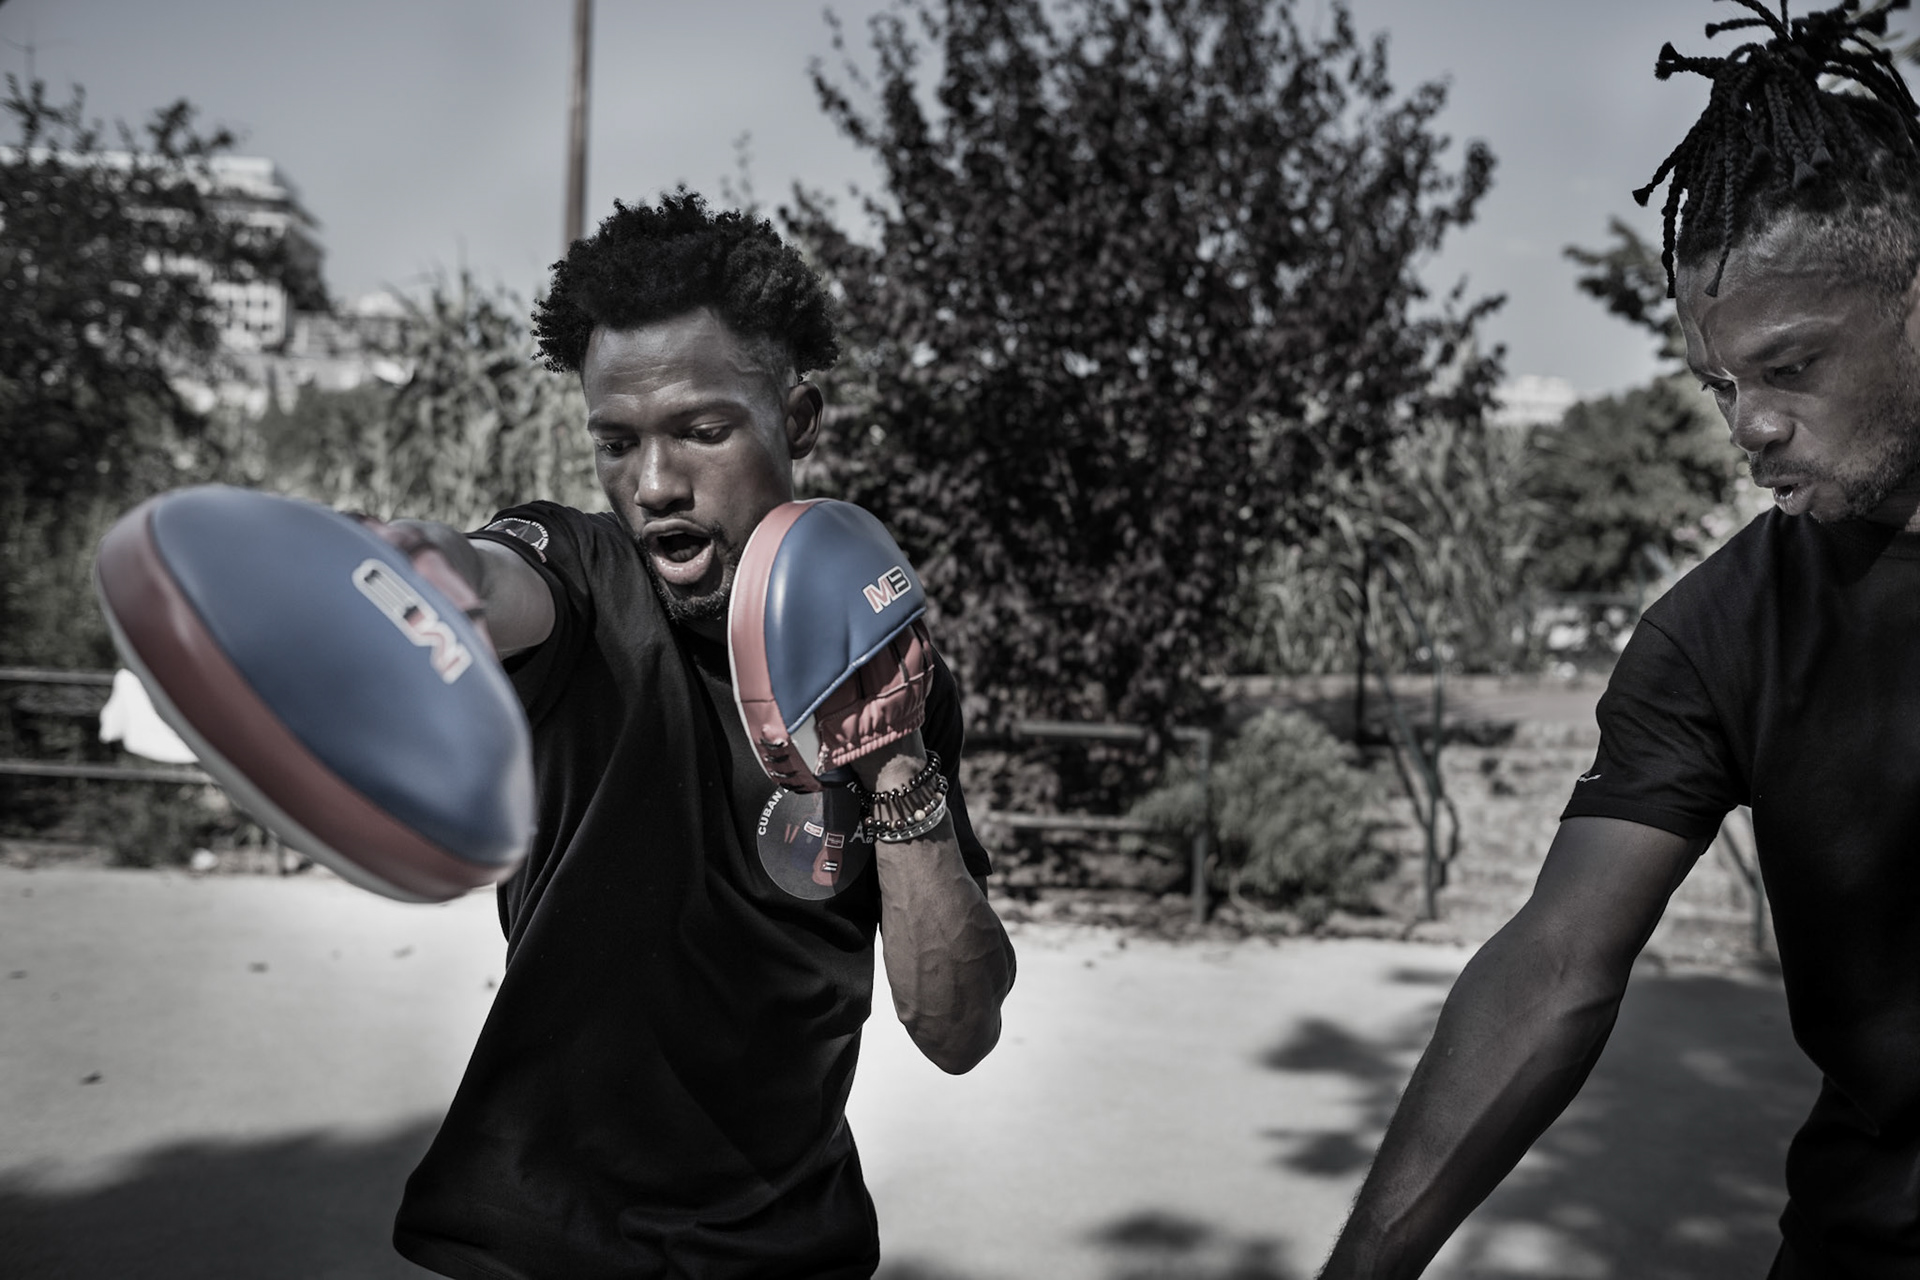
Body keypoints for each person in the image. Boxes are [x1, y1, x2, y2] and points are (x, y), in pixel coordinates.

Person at [1319, 4, 1920, 1277]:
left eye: (1789, 367)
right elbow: (1556, 963)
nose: (1747, 426)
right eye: (1721, 387)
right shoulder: (1719, 631)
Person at [385, 192, 1016, 1279]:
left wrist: (898, 761)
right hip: (540, 1244)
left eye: (701, 430)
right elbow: (492, 582)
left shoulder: (888, 665)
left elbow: (955, 1027)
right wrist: (407, 568)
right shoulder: (583, 576)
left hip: (790, 1251)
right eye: (617, 442)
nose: (655, 484)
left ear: (799, 421)